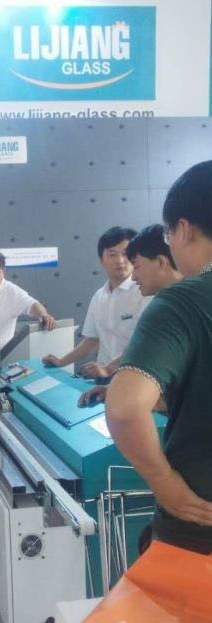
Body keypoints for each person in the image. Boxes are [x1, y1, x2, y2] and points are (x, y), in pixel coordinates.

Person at [106, 161, 212, 554]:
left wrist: (163, 481)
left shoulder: (182, 302)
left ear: (184, 229)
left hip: (200, 523)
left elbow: (125, 409)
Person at [78, 224, 183, 406]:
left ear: (161, 262)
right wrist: (112, 385)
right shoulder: (165, 303)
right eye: (112, 254)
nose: (133, 277)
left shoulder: (185, 303)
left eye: (137, 266)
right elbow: (141, 349)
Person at [43, 227, 149, 378]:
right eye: (112, 254)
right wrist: (61, 362)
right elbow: (92, 340)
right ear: (101, 260)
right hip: (103, 378)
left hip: (135, 377)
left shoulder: (144, 292)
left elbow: (144, 343)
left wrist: (108, 369)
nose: (120, 260)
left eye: (125, 253)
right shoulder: (99, 297)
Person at [0, 250, 56, 387]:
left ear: (4, 271)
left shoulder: (12, 292)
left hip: (1, 364)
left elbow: (32, 304)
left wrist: (44, 315)